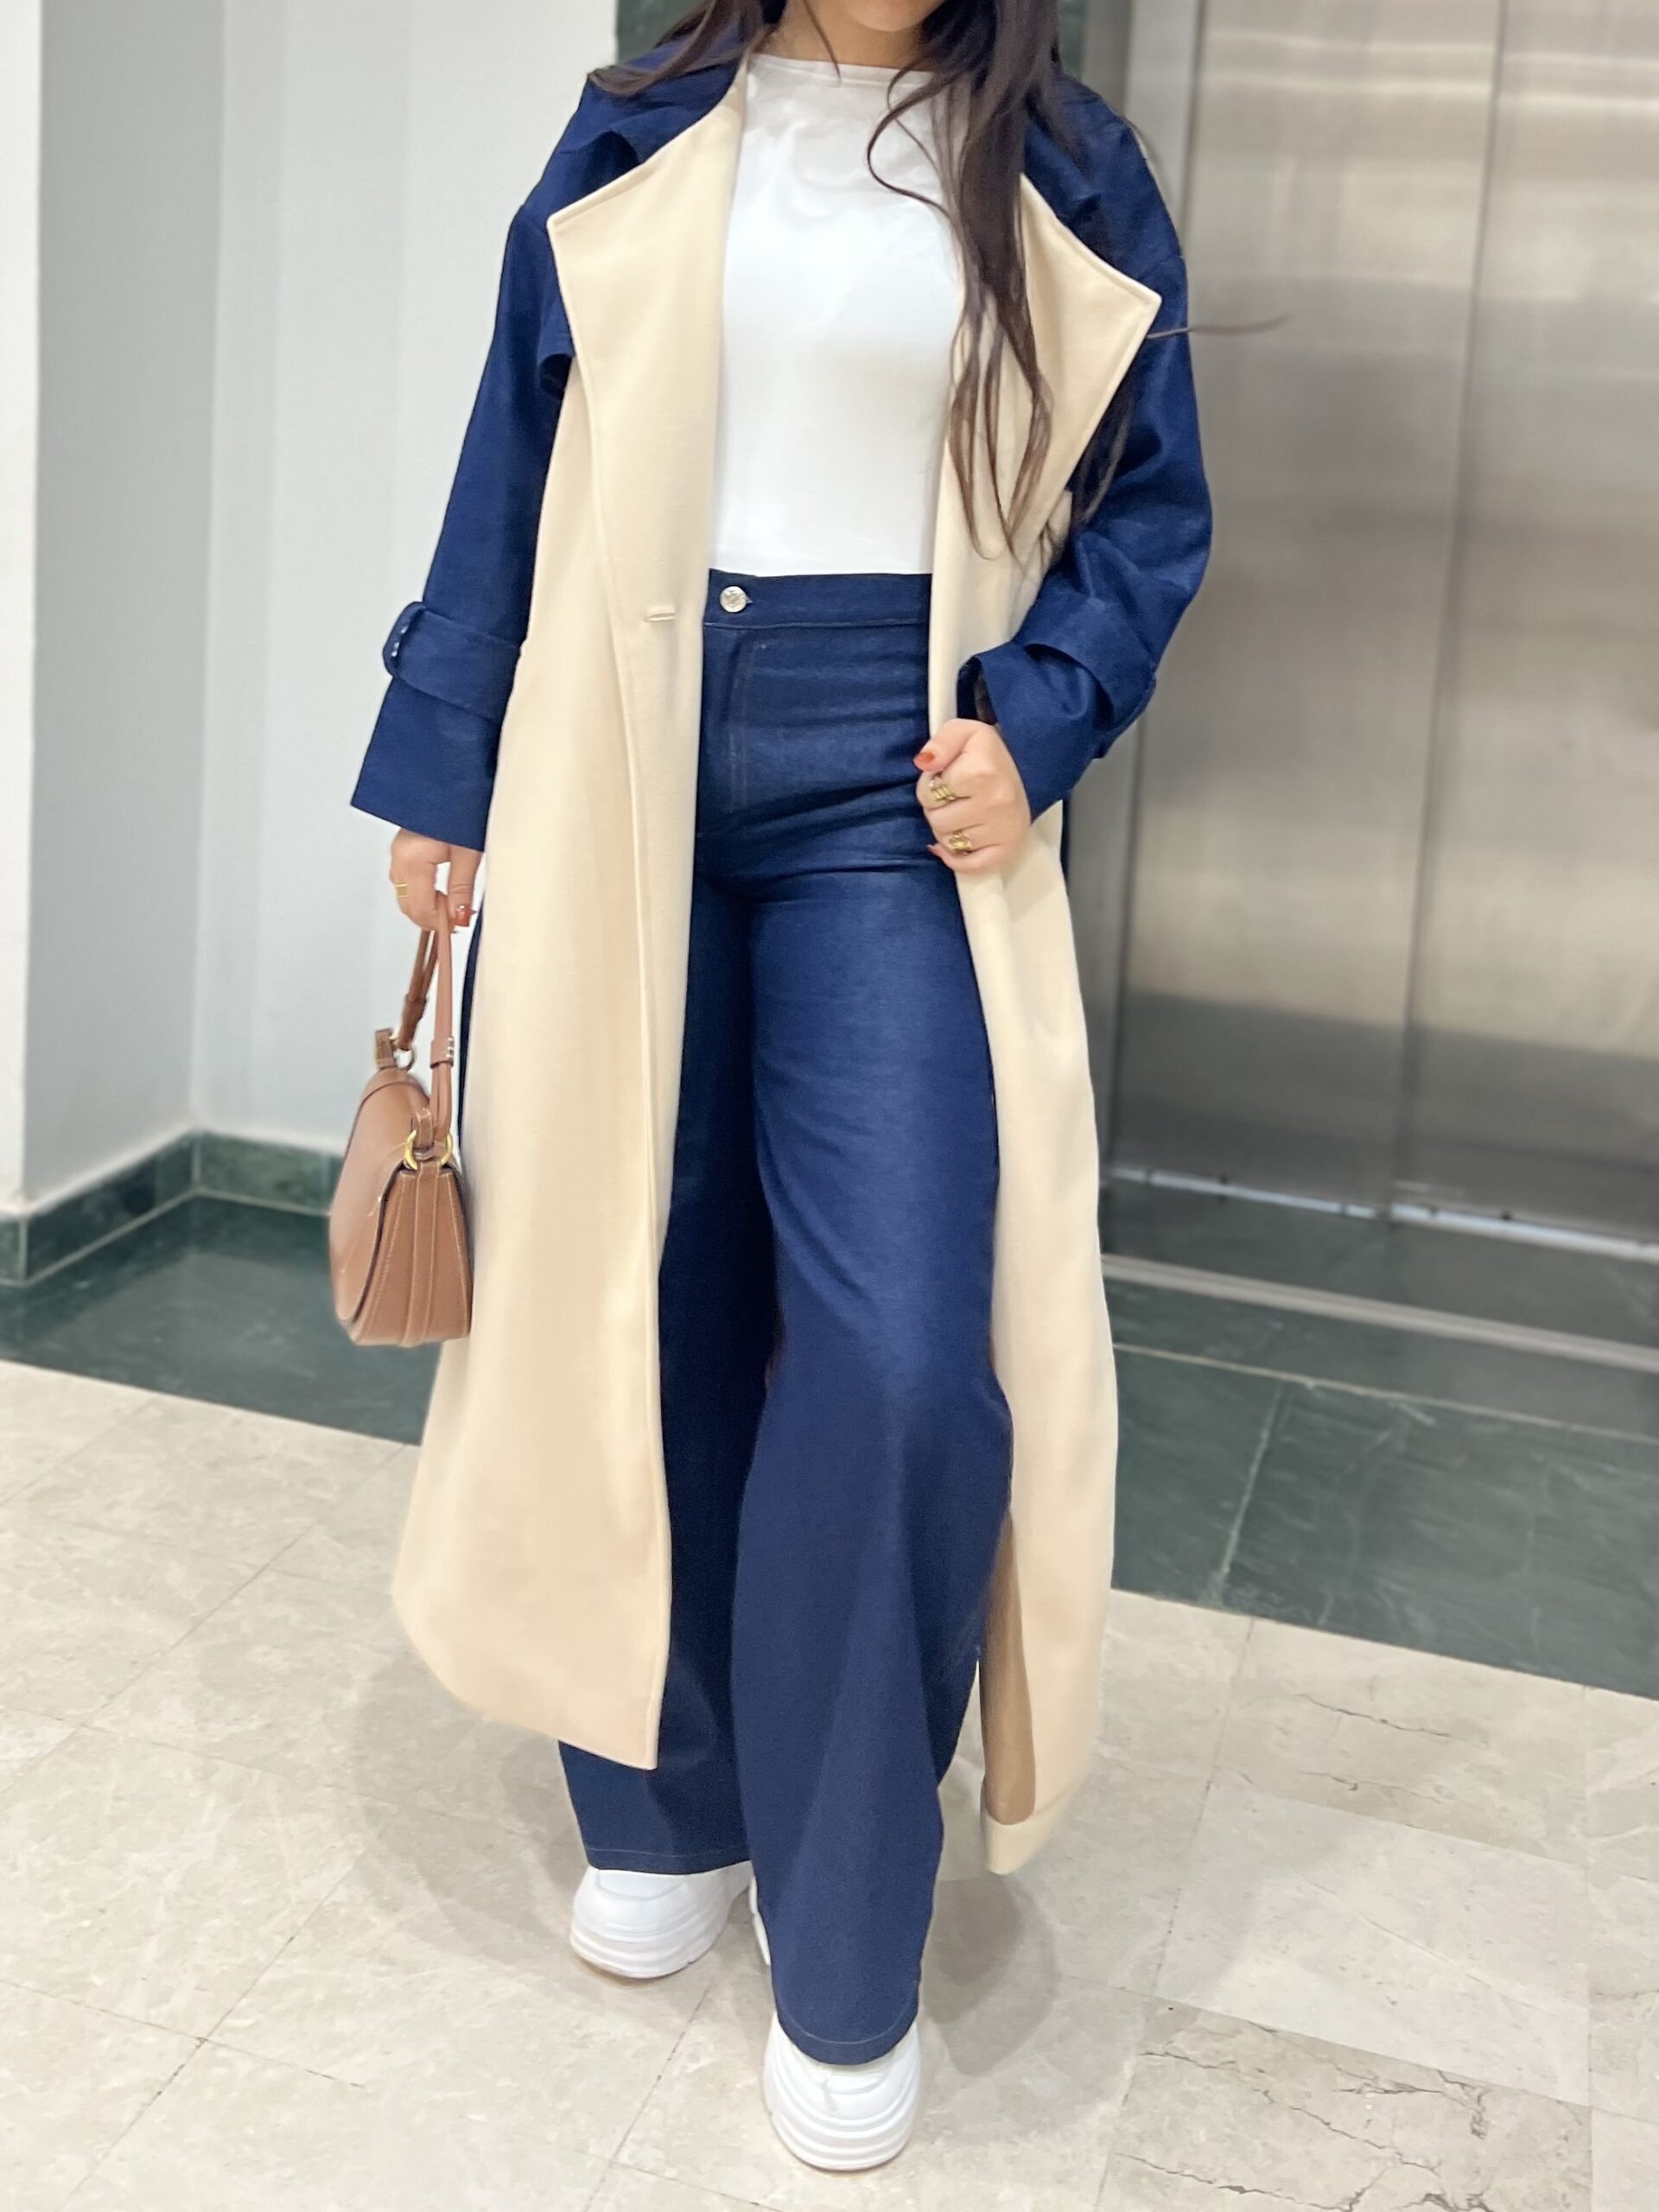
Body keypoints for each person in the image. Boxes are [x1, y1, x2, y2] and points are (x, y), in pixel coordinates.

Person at [351, 0, 1209, 2171]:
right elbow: (512, 452)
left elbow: (1148, 510)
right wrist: (444, 760)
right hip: (615, 745)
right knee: (635, 1285)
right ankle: (666, 1793)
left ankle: (846, 1908)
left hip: (894, 781)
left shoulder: (1068, 167)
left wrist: (1043, 712)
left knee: (903, 1354)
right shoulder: (634, 127)